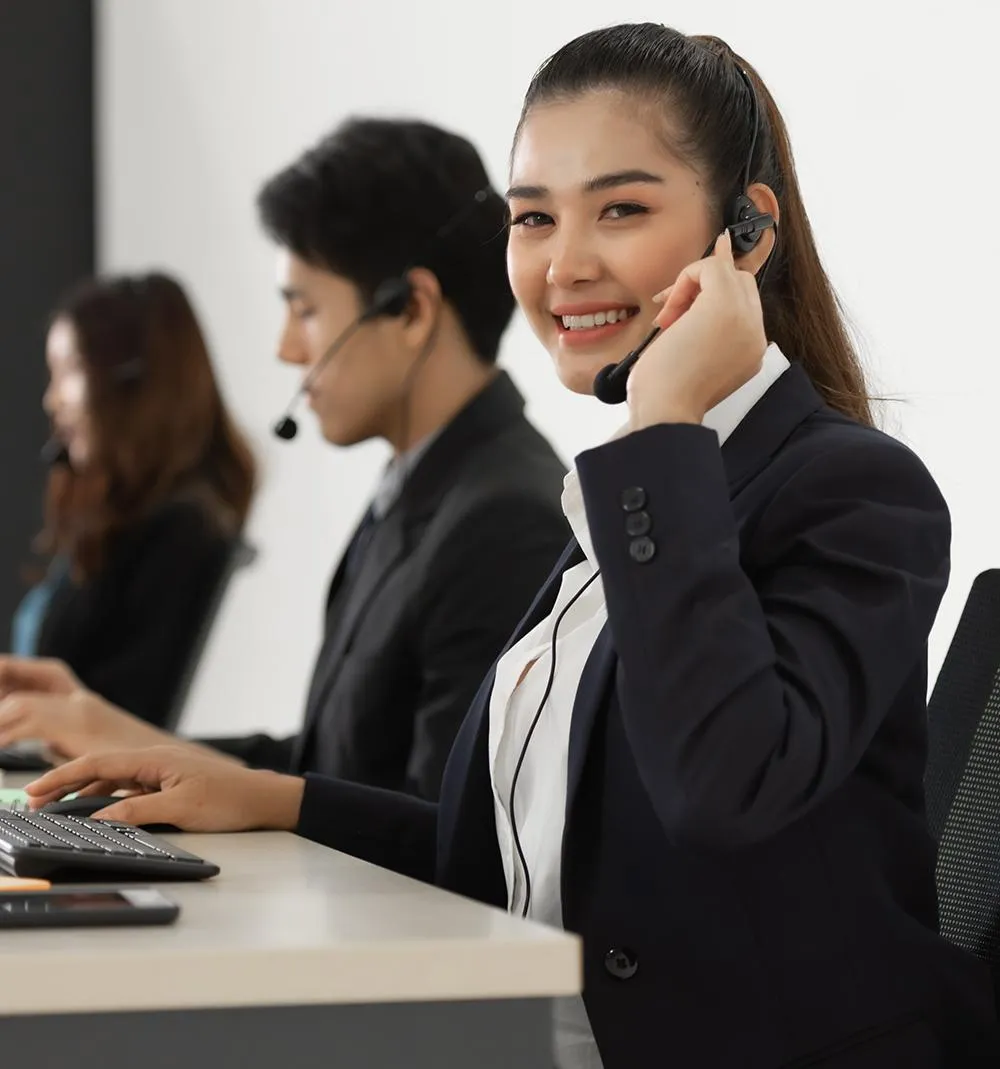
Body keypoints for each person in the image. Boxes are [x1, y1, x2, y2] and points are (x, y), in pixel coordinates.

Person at [7, 24, 998, 1066]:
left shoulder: (844, 490)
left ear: (745, 235)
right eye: (533, 218)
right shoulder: (622, 500)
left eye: (621, 209)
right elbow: (511, 865)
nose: (563, 264)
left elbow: (723, 790)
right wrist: (273, 798)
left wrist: (664, 435)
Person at [0, 118, 569, 800]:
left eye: (303, 310)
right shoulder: (418, 488)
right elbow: (326, 764)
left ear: (411, 311)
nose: (287, 349)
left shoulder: (504, 518)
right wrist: (106, 731)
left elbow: (452, 837)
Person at [5, 272, 256, 728]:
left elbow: (125, 717)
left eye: (70, 372)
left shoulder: (181, 532)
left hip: (72, 787)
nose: (51, 400)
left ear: (132, 382)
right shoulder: (120, 521)